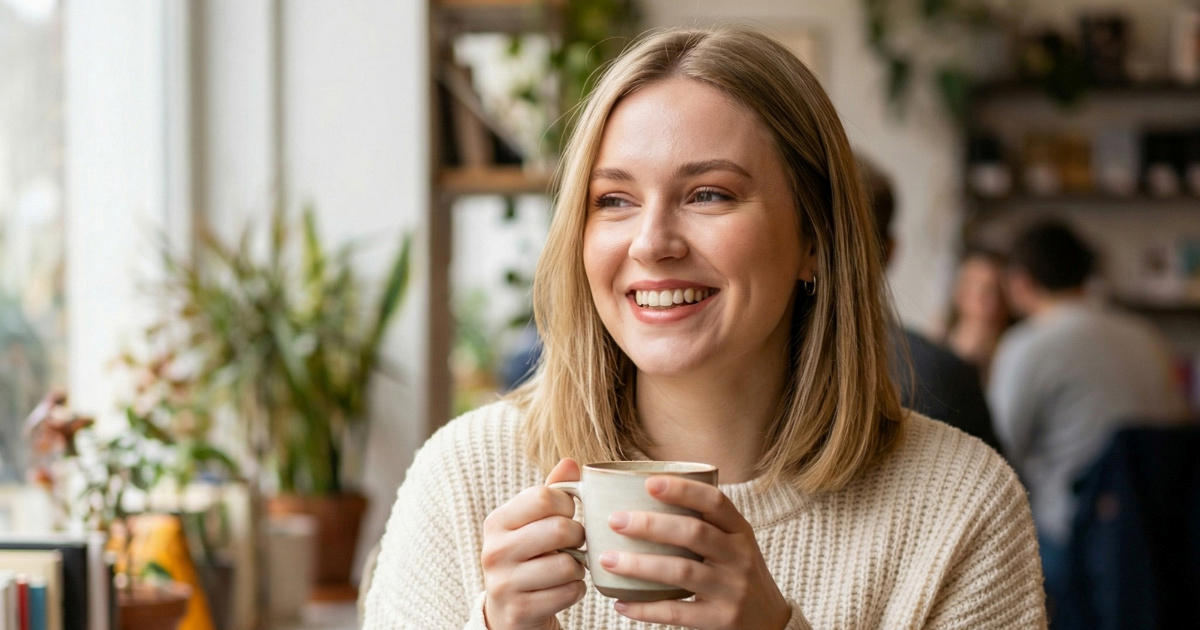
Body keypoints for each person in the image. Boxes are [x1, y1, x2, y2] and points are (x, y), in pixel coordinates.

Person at [364, 26, 1045, 630]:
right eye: (615, 200)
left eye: (709, 194)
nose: (652, 242)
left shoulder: (961, 508)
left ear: (815, 237)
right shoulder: (465, 480)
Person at [988, 219, 1185, 614]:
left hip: (1076, 542)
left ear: (1020, 282)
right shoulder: (1146, 335)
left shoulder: (1029, 345)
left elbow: (998, 455)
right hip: (1165, 534)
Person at [858, 158, 1002, 453]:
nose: (982, 298)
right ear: (891, 251)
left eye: (991, 289)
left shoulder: (943, 370)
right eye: (973, 286)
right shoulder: (942, 372)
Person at [942, 248, 1014, 383]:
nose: (978, 296)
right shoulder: (937, 340)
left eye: (990, 289)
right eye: (970, 283)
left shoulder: (1011, 354)